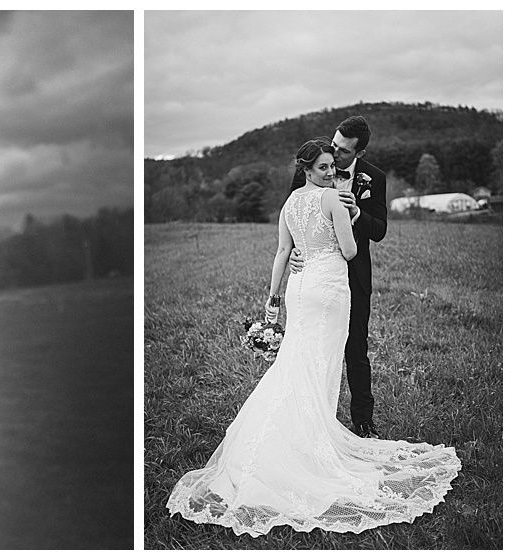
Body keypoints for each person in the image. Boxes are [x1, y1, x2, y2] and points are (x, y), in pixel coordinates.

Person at [167, 139, 459, 537]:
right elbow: (351, 250)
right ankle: (311, 446)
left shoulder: (289, 205)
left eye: (331, 167)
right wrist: (345, 222)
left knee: (298, 360)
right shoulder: (334, 200)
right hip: (329, 290)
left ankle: (289, 439)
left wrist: (273, 299)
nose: (330, 172)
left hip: (300, 290)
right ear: (308, 169)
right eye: (323, 167)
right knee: (319, 364)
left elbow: (283, 252)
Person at [281, 116, 387, 438]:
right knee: (310, 346)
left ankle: (363, 422)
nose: (334, 153)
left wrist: (355, 212)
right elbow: (295, 214)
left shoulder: (373, 178)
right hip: (314, 275)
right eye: (334, 143)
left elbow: (379, 230)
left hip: (353, 276)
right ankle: (307, 420)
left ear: (360, 152)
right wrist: (297, 252)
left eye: (342, 151)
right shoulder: (313, 165)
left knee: (356, 348)